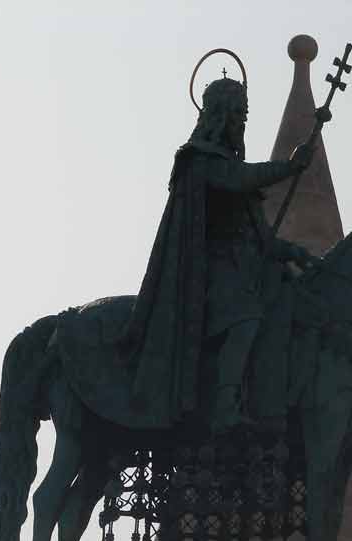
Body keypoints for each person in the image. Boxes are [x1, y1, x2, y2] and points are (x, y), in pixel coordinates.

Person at [120, 75, 313, 433]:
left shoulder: (229, 166)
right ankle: (225, 404)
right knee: (246, 320)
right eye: (237, 114)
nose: (241, 123)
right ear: (219, 115)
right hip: (210, 272)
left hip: (245, 270)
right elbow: (236, 179)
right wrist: (289, 166)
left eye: (245, 115)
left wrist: (293, 251)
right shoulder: (201, 161)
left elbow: (260, 238)